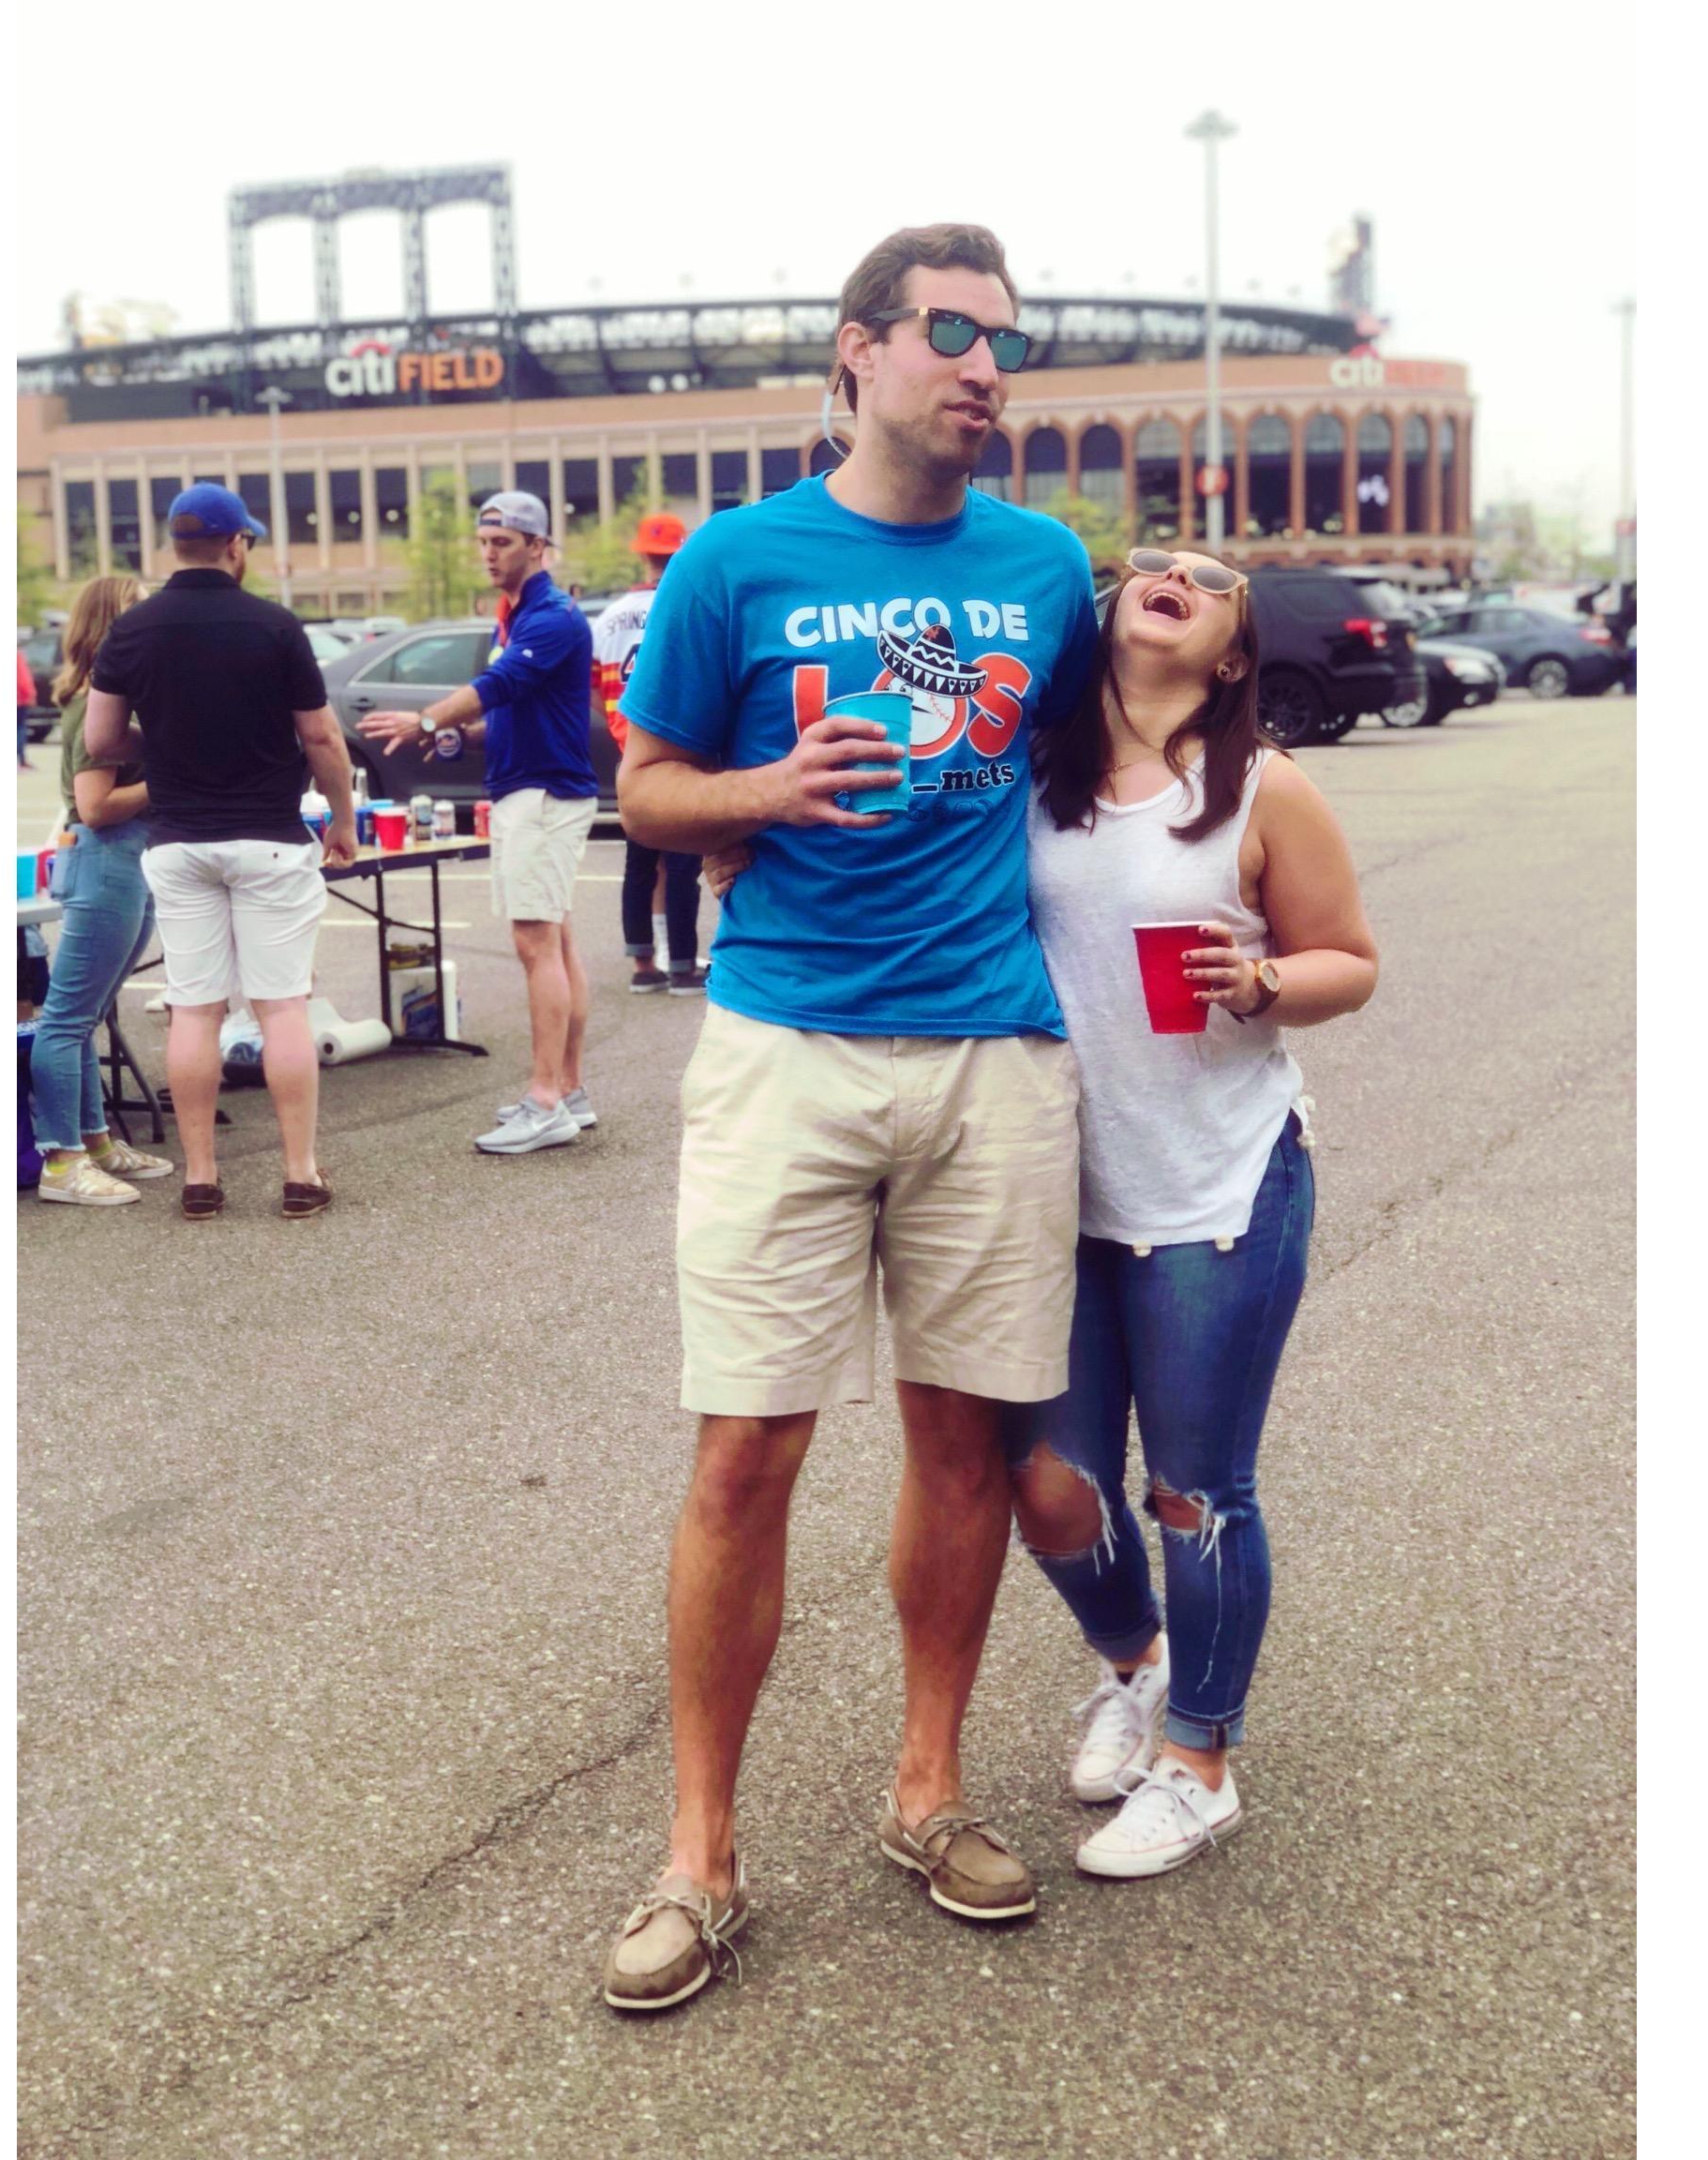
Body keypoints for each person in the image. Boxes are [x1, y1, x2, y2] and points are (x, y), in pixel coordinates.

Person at [598, 222, 1098, 2013]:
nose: (982, 368)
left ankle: (925, 1787)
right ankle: (698, 1853)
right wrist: (758, 791)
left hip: (992, 1055)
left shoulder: (1045, 565)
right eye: (950, 332)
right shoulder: (735, 558)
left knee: (962, 1445)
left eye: (1005, 342)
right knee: (744, 1450)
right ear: (856, 350)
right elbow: (644, 789)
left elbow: (1104, 766)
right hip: (785, 1051)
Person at [1006, 545, 1377, 1880]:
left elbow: (1352, 963)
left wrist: (1266, 979)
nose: (1173, 573)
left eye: (1209, 578)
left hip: (1218, 1182)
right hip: (1055, 1188)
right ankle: (1138, 1665)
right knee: (1049, 1489)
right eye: (1153, 564)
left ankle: (1200, 1764)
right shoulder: (1029, 775)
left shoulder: (1264, 788)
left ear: (1231, 656)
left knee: (1193, 1493)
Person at [83, 484, 357, 1221]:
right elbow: (322, 737)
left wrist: (168, 743)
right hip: (268, 842)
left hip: (179, 844)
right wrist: (342, 819)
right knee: (282, 1008)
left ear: (176, 544)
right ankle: (299, 1175)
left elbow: (101, 739)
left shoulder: (132, 630)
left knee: (195, 1010)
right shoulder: (275, 627)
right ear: (237, 545)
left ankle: (200, 1179)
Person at [360, 493, 599, 1155]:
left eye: (503, 542)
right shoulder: (518, 615)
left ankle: (545, 1100)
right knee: (556, 943)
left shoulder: (551, 616)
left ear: (537, 546)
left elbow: (496, 687)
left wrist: (428, 718)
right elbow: (512, 711)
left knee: (536, 944)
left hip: (543, 797)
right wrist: (456, 737)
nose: (489, 553)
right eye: (484, 542)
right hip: (538, 792)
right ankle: (569, 1090)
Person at [30, 575, 176, 1205]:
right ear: (114, 624)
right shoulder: (95, 703)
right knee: (66, 1019)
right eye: (139, 611)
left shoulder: (114, 698)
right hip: (107, 858)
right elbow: (94, 806)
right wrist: (170, 780)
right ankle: (62, 1162)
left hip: (125, 859)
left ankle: (94, 1143)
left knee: (86, 1015)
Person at [592, 512, 706, 996]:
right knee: (681, 864)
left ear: (642, 554)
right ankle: (682, 965)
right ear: (680, 552)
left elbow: (594, 689)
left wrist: (621, 727)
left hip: (629, 751)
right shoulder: (684, 605)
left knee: (639, 863)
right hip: (678, 748)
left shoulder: (609, 617)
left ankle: (643, 964)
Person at [18, 643, 37, 770]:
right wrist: (30, 695)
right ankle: (21, 760)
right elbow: (23, 679)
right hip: (19, 700)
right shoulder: (17, 656)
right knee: (20, 728)